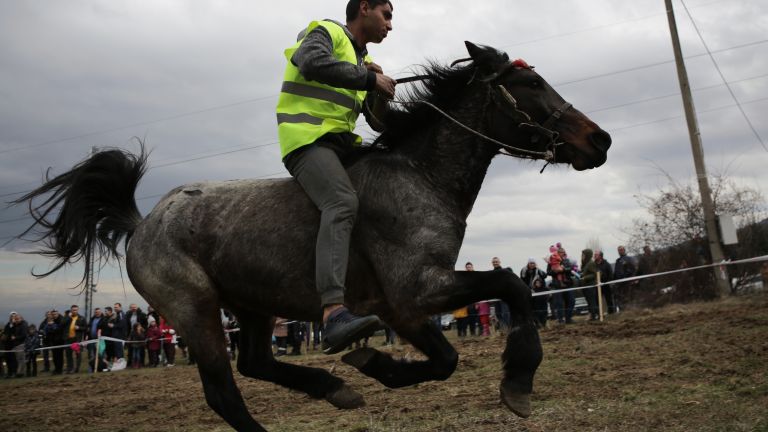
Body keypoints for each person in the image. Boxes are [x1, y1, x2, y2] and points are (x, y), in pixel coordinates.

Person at [276, 0, 396, 354]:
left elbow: (377, 123)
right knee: (341, 202)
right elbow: (311, 62)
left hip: (341, 146)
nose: (390, 26)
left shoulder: (361, 62)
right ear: (364, 8)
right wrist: (369, 78)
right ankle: (332, 313)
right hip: (307, 141)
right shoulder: (326, 31)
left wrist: (378, 90)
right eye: (387, 15)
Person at [520, 258, 548, 328]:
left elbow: (545, 276)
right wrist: (528, 290)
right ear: (528, 264)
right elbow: (522, 280)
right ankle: (536, 323)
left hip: (539, 291)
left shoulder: (538, 270)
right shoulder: (524, 270)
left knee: (542, 308)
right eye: (531, 263)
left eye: (533, 263)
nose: (532, 265)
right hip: (528, 292)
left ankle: (543, 323)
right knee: (532, 309)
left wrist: (538, 268)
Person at [61, 305, 86, 374]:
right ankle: (70, 368)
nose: (75, 311)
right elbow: (62, 324)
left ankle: (77, 369)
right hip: (68, 339)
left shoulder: (81, 318)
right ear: (71, 310)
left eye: (76, 310)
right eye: (73, 310)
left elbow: (85, 328)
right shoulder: (66, 317)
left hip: (77, 339)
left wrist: (79, 328)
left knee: (78, 354)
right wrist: (68, 317)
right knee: (68, 355)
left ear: (78, 310)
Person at [490, 257, 512, 331]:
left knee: (505, 312)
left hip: (504, 296)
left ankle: (508, 328)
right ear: (492, 263)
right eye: (494, 262)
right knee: (498, 313)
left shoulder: (504, 271)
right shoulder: (491, 273)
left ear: (499, 262)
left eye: (496, 261)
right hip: (496, 296)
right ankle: (503, 328)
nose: (495, 263)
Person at [613, 245, 636, 312]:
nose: (620, 251)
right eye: (619, 250)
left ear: (624, 250)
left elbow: (633, 269)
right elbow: (616, 272)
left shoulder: (629, 259)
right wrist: (614, 280)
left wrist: (627, 276)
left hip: (627, 281)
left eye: (621, 250)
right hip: (619, 282)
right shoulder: (618, 260)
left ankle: (629, 310)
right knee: (620, 297)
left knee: (627, 296)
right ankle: (622, 310)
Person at [579, 249, 600, 321]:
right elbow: (586, 272)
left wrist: (585, 277)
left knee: (592, 301)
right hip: (585, 286)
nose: (582, 256)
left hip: (590, 286)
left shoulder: (591, 263)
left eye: (583, 255)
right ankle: (593, 314)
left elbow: (594, 274)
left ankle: (594, 315)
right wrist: (581, 274)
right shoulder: (585, 264)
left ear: (587, 255)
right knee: (589, 301)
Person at [42, 309, 64, 374]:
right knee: (54, 356)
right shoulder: (50, 321)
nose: (54, 315)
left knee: (59, 356)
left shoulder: (61, 320)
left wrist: (52, 327)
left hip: (59, 341)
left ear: (58, 314)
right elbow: (46, 330)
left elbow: (58, 329)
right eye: (53, 314)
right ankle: (56, 369)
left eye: (55, 314)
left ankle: (59, 370)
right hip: (53, 341)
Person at [86, 308, 104, 373]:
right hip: (91, 339)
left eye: (98, 312)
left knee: (100, 355)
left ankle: (100, 368)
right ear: (94, 313)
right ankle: (91, 369)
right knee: (91, 355)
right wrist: (87, 335)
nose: (97, 313)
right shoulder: (92, 319)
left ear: (101, 312)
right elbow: (88, 327)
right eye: (96, 312)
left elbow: (104, 328)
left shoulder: (103, 319)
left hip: (99, 340)